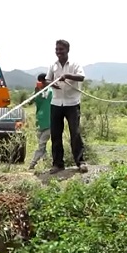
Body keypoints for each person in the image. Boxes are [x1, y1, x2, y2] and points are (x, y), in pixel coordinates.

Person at [45, 39, 88, 174]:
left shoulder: (75, 64)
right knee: (56, 134)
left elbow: (81, 77)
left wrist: (67, 75)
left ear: (67, 50)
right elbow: (47, 79)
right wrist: (51, 83)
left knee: (75, 133)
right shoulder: (53, 65)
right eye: (57, 49)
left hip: (72, 103)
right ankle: (58, 164)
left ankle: (80, 162)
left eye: (61, 49)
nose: (58, 52)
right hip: (56, 103)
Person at [28, 73, 53, 170]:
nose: (42, 83)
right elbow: (30, 102)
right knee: (42, 145)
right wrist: (36, 92)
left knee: (41, 144)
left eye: (43, 81)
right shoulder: (38, 92)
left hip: (49, 122)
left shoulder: (52, 92)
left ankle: (33, 163)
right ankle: (47, 162)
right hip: (40, 123)